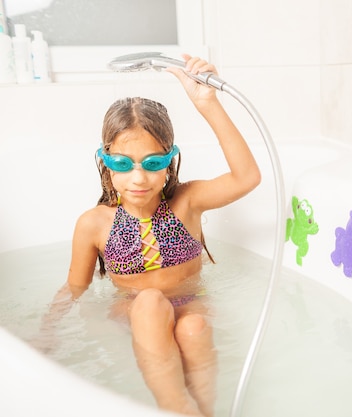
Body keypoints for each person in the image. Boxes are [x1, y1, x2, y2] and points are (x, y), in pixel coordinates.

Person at [40, 55, 261, 417]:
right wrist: (47, 330)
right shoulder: (94, 223)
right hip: (134, 312)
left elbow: (247, 177)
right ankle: (174, 406)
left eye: (154, 163)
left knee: (193, 328)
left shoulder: (186, 203)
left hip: (192, 303)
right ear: (105, 159)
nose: (138, 178)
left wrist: (208, 102)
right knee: (150, 302)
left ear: (170, 160)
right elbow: (74, 288)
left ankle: (204, 411)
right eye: (123, 164)